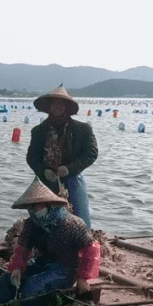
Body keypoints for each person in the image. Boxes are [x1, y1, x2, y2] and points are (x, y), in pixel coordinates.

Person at [0, 179, 101, 306]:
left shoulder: (72, 224)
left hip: (65, 269)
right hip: (41, 263)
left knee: (32, 286)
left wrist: (83, 278)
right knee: (6, 281)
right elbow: (23, 248)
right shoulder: (32, 224)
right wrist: (16, 268)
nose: (34, 210)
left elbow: (91, 250)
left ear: (49, 204)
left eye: (38, 206)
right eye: (31, 207)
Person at [26, 84, 97, 229]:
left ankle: (84, 244)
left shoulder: (82, 129)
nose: (57, 107)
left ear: (66, 107)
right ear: (49, 106)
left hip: (73, 177)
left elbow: (91, 153)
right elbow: (32, 157)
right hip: (48, 178)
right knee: (43, 217)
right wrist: (43, 171)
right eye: (54, 104)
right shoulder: (38, 131)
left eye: (61, 104)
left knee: (81, 218)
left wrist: (69, 168)